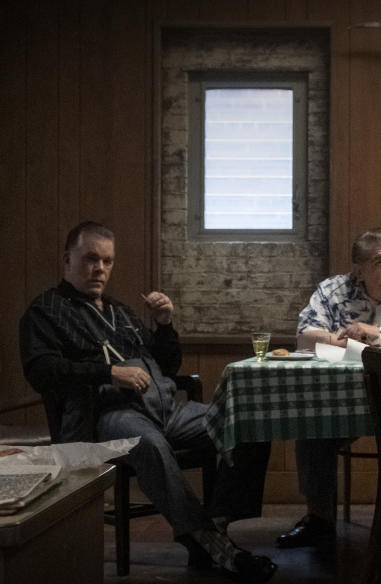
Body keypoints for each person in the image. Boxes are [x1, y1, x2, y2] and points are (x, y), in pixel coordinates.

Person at [19, 221, 276, 583]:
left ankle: (214, 524)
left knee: (246, 424)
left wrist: (165, 325)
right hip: (107, 415)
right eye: (91, 259)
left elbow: (169, 366)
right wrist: (107, 373)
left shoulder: (120, 312)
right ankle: (206, 542)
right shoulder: (45, 311)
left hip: (168, 410)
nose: (100, 269)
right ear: (67, 259)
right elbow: (42, 371)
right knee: (148, 444)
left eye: (107, 261)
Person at [277, 228, 381, 549]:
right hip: (342, 400)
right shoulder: (333, 290)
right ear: (357, 270)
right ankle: (319, 519)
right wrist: (352, 339)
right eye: (379, 262)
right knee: (313, 427)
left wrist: (378, 331)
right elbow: (305, 336)